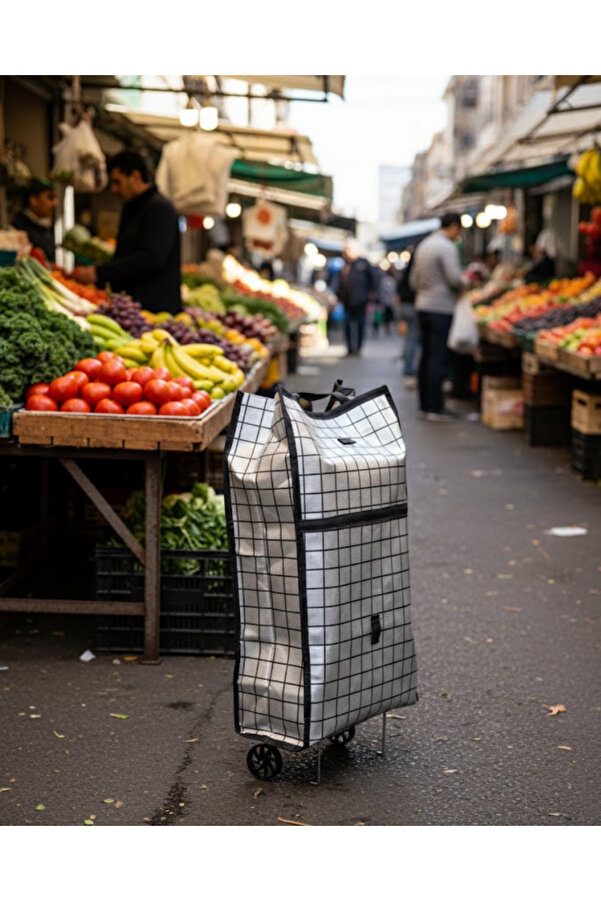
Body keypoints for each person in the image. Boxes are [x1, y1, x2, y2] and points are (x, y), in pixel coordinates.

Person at [72, 150, 181, 313]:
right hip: (132, 305)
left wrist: (101, 273)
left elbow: (152, 258)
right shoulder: (132, 208)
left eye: (118, 182)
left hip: (154, 309)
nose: (114, 189)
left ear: (136, 176)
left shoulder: (159, 209)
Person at [410, 212, 468, 421]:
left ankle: (425, 405)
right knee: (438, 357)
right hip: (441, 308)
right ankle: (436, 407)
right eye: (458, 230)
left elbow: (414, 281)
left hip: (422, 306)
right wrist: (467, 282)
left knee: (425, 356)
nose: (458, 235)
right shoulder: (447, 247)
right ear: (453, 226)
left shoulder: (424, 245)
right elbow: (454, 279)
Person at [337, 240, 377, 355]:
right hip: (347, 300)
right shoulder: (346, 264)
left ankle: (358, 348)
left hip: (360, 300)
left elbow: (373, 279)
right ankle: (350, 348)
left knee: (360, 325)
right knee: (347, 325)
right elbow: (341, 283)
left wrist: (371, 295)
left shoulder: (363, 263)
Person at [12, 177, 58, 264]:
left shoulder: (43, 225)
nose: (55, 203)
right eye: (50, 197)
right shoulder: (20, 229)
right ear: (33, 200)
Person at [397, 248, 421, 387]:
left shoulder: (407, 271)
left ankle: (408, 367)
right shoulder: (415, 271)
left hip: (405, 306)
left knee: (409, 339)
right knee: (413, 338)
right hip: (412, 306)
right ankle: (409, 371)